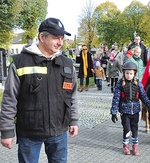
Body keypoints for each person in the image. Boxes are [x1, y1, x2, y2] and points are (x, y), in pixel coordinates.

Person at [0, 17, 79, 162]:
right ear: (42, 37)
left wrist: (73, 120)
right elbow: (10, 98)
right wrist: (7, 131)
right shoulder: (20, 63)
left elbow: (72, 96)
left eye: (62, 38)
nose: (60, 42)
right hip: (29, 133)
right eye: (56, 38)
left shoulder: (67, 64)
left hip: (59, 132)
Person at [110, 62, 150, 156]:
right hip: (125, 111)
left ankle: (135, 146)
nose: (129, 75)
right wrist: (113, 112)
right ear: (123, 73)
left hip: (135, 111)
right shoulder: (120, 84)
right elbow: (116, 99)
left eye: (131, 73)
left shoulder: (138, 84)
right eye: (127, 73)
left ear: (134, 74)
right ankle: (126, 145)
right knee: (126, 129)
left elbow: (143, 97)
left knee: (134, 129)